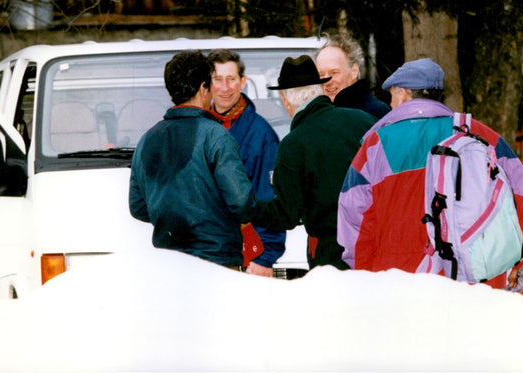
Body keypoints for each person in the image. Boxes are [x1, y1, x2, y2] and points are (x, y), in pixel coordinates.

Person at [337, 58, 523, 293]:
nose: (390, 103)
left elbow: (354, 225)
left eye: (392, 95)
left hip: (397, 286)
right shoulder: (481, 135)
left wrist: (365, 277)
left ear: (404, 93)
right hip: (472, 284)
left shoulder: (375, 145)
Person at [129, 50, 256, 268]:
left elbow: (138, 206)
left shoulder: (147, 139)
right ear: (202, 88)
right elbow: (242, 202)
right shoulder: (216, 135)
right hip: (218, 261)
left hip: (169, 264)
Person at [250, 55, 376, 270]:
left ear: (285, 99)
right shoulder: (364, 120)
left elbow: (286, 215)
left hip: (330, 256)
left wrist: (247, 208)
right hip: (373, 243)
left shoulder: (293, 145)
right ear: (321, 90)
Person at [207, 49, 284, 277]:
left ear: (243, 81)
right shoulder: (198, 128)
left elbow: (270, 199)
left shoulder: (261, 134)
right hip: (204, 253)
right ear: (208, 83)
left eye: (231, 79)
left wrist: (264, 258)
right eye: (218, 79)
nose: (224, 87)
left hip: (246, 255)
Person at [315, 33, 390, 119]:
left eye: (334, 73)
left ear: (354, 71)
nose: (327, 81)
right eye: (321, 75)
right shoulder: (317, 115)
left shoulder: (377, 113)